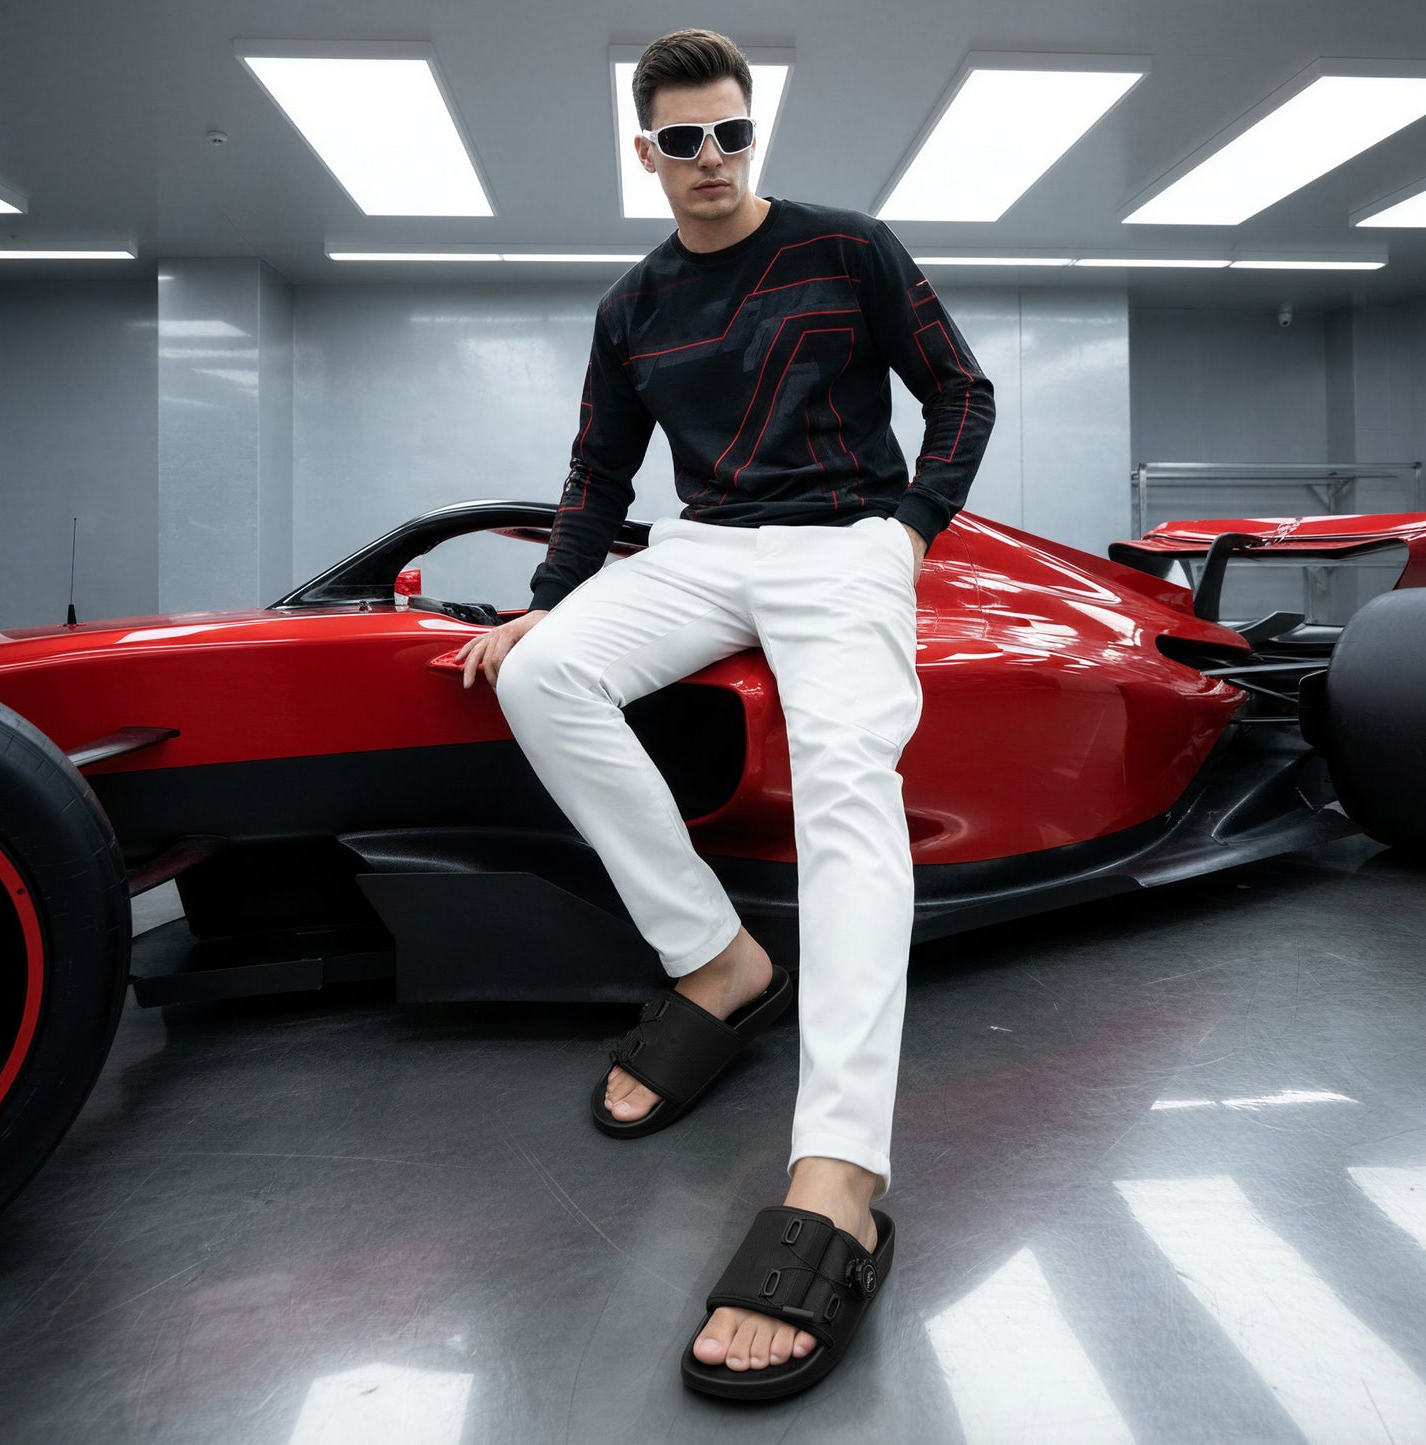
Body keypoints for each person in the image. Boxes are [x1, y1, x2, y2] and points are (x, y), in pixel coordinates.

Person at [454, 27, 994, 1397]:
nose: (709, 160)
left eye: (730, 134)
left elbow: (957, 390)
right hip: (701, 547)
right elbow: (595, 472)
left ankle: (837, 1171)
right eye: (681, 140)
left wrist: (909, 532)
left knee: (844, 790)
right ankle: (717, 959)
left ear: (754, 134)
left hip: (842, 541)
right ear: (646, 152)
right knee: (539, 674)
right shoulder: (632, 306)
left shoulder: (845, 247)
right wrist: (546, 600)